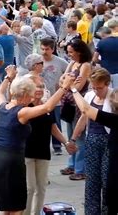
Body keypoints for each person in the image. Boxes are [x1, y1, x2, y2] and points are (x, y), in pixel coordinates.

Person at [0, 65, 76, 214]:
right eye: (31, 93)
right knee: (17, 208)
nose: (32, 97)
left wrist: (9, 77)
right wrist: (64, 87)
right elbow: (47, 107)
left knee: (6, 207)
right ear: (24, 95)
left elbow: (0, 91)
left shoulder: (2, 106)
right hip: (12, 162)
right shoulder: (22, 112)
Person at [24, 75, 72, 215]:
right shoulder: (25, 107)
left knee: (41, 187)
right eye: (36, 87)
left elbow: (53, 127)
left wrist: (66, 142)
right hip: (26, 151)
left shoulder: (46, 107)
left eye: (41, 87)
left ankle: (36, 213)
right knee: (30, 187)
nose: (39, 89)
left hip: (43, 152)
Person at [70, 68, 112, 214]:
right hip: (92, 139)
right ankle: (91, 212)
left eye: (99, 88)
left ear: (107, 84)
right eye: (93, 87)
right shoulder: (89, 95)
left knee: (107, 181)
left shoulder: (114, 97)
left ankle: (107, 210)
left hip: (109, 142)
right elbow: (84, 117)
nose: (96, 90)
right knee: (92, 181)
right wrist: (73, 138)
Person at [59, 39, 92, 181]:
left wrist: (67, 83)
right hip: (69, 102)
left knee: (79, 136)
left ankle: (80, 168)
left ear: (79, 51)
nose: (69, 54)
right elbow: (61, 79)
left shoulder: (85, 65)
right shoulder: (72, 63)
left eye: (71, 52)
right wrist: (68, 83)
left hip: (78, 103)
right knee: (71, 132)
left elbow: (77, 87)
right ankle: (72, 164)